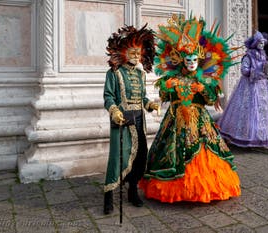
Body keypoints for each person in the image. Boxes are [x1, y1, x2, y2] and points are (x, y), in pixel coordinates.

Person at [139, 14, 241, 203]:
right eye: (188, 59)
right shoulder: (172, 78)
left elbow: (211, 100)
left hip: (200, 121)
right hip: (176, 120)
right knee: (171, 152)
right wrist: (167, 87)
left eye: (194, 59)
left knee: (206, 150)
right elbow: (165, 98)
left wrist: (203, 90)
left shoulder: (205, 79)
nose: (191, 63)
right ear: (180, 60)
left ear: (200, 59)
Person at [103, 24, 159, 214]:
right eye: (133, 52)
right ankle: (109, 195)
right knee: (118, 158)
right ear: (124, 51)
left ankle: (133, 191)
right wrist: (115, 111)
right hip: (122, 122)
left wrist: (149, 104)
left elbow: (142, 97)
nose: (136, 56)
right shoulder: (114, 73)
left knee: (140, 157)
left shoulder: (141, 74)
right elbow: (108, 96)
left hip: (139, 121)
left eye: (139, 53)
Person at [217, 31, 268, 147]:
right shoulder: (248, 56)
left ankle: (262, 136)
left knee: (262, 110)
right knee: (249, 109)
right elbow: (244, 70)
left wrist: (267, 71)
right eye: (260, 43)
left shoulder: (263, 55)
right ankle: (247, 135)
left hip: (262, 86)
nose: (262, 45)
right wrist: (256, 72)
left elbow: (265, 66)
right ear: (255, 43)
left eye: (263, 43)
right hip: (249, 86)